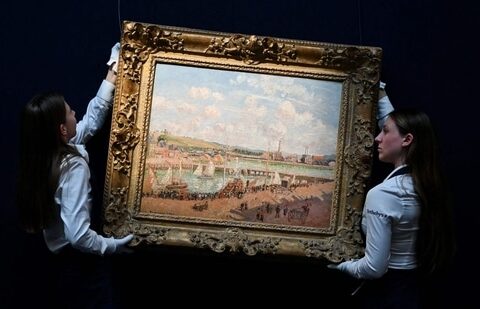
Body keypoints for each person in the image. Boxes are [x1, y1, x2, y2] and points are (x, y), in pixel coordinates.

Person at [16, 43, 133, 308]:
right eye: (70, 112)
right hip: (81, 268)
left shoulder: (44, 153)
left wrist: (113, 70)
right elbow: (78, 236)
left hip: (59, 267)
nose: (75, 113)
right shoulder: (72, 166)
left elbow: (91, 120)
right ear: (61, 129)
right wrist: (111, 246)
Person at [329, 82, 455, 308]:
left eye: (384, 132)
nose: (376, 138)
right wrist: (378, 91)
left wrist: (341, 266)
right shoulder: (426, 182)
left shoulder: (384, 194)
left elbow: (374, 268)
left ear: (407, 140)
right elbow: (400, 128)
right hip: (413, 289)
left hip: (387, 295)